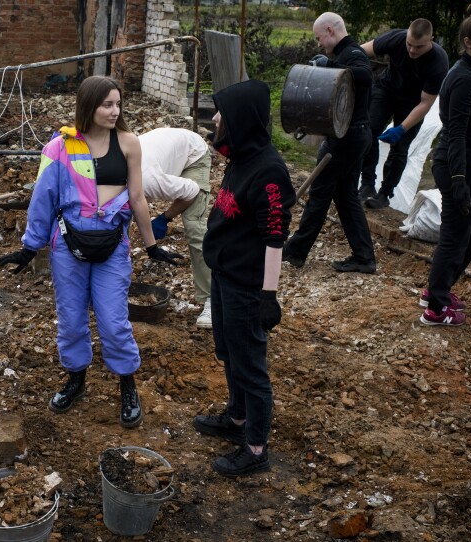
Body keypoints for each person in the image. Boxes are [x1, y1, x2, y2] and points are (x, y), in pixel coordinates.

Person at [0, 76, 181, 428]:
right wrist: (29, 247)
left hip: (113, 245)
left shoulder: (128, 143)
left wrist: (152, 245)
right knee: (71, 319)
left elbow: (138, 197)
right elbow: (43, 198)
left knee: (113, 321)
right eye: (106, 105)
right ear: (88, 106)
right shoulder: (61, 147)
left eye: (118, 104)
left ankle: (127, 384)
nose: (115, 111)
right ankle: (76, 380)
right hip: (68, 244)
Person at [192, 79, 295, 477]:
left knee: (250, 365)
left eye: (222, 112)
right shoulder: (241, 158)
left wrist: (269, 295)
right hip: (224, 276)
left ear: (242, 119)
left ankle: (255, 448)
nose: (216, 118)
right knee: (228, 352)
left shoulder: (269, 171)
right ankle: (236, 420)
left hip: (247, 286)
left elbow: (274, 237)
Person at [420, 1, 471, 326]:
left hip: (468, 165)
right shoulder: (464, 78)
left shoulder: (467, 71)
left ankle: (437, 291)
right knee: (455, 238)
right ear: (469, 43)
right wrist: (458, 181)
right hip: (459, 166)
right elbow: (454, 132)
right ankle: (435, 310)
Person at [282, 12, 377, 274]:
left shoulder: (353, 54)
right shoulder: (344, 54)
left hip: (347, 139)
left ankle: (296, 251)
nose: (319, 44)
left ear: (330, 30)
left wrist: (329, 66)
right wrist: (328, 65)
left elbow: (365, 76)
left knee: (320, 194)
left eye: (319, 38)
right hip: (354, 136)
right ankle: (364, 257)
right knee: (346, 197)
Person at [359, 19, 449, 209]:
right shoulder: (396, 38)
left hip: (414, 103)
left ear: (431, 40)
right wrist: (339, 60)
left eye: (419, 47)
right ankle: (367, 184)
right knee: (368, 130)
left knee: (400, 148)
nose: (412, 50)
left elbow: (426, 103)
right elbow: (360, 51)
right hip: (387, 90)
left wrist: (401, 128)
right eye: (409, 44)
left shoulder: (438, 61)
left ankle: (384, 194)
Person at [139, 127, 214, 327]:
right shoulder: (110, 178)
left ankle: (212, 299)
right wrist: (151, 246)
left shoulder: (150, 182)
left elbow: (193, 192)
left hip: (193, 153)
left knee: (193, 225)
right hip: (168, 148)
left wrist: (165, 218)